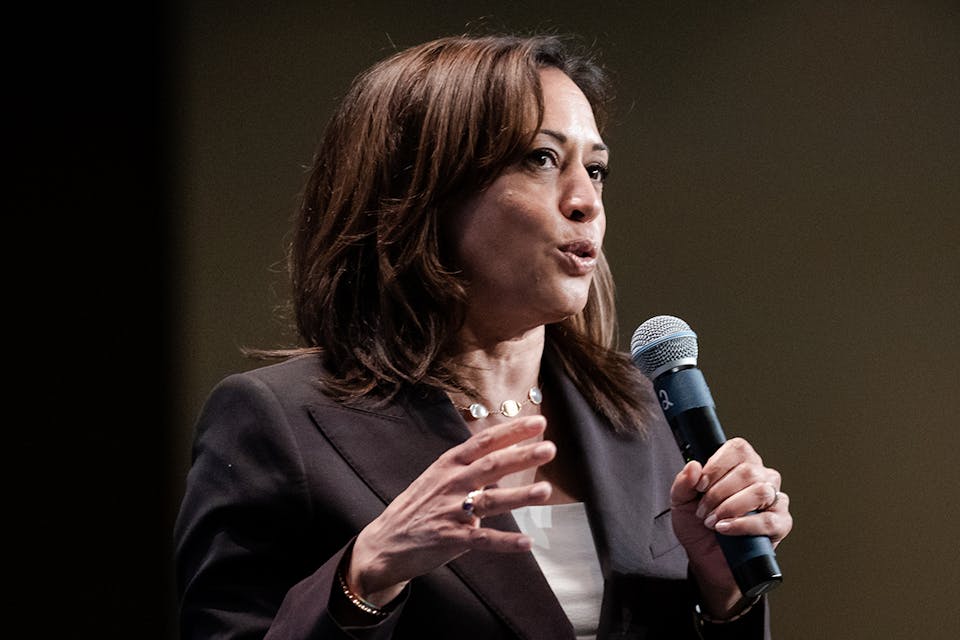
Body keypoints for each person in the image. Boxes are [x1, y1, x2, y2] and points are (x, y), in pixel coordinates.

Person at [173, 33, 793, 639]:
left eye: (596, 169)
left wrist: (721, 600)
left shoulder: (639, 409)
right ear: (421, 191)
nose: (585, 201)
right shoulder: (276, 423)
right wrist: (362, 579)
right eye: (541, 159)